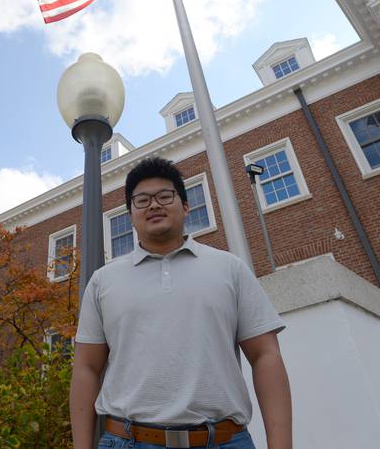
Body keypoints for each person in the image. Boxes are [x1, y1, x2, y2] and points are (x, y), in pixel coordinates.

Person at [70, 157, 292, 449]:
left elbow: (265, 356)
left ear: (185, 206)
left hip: (225, 440)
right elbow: (86, 368)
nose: (153, 205)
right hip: (128, 441)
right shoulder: (103, 281)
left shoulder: (230, 269)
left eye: (165, 196)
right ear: (130, 214)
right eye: (142, 200)